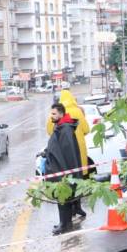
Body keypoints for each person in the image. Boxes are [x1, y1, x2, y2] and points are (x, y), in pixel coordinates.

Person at [46, 89, 89, 220]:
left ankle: (69, 213)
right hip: (79, 151)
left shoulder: (56, 113)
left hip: (63, 153)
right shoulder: (78, 111)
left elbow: (50, 131)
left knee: (66, 181)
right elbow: (87, 129)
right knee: (78, 179)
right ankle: (78, 207)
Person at [45, 102, 82, 235]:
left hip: (62, 170)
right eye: (51, 113)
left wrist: (65, 175)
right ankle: (65, 222)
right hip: (60, 169)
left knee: (63, 197)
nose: (52, 116)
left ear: (61, 114)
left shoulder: (65, 129)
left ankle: (64, 224)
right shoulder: (61, 126)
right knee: (63, 197)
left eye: (54, 113)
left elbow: (67, 153)